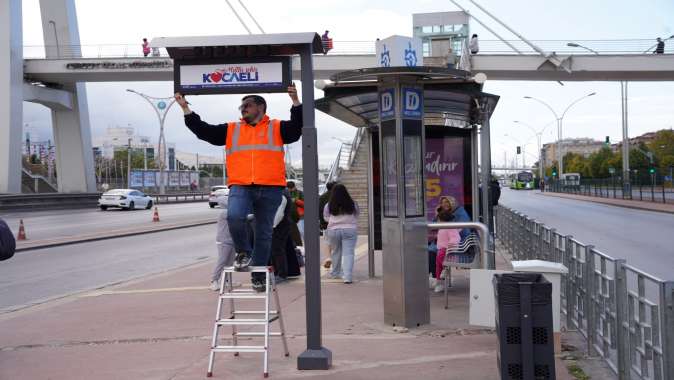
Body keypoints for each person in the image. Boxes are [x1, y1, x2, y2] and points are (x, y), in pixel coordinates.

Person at [175, 83, 302, 292]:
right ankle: (243, 252)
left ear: (261, 107)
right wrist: (186, 110)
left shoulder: (277, 127)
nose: (243, 109)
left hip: (271, 187)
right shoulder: (232, 129)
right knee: (234, 216)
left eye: (247, 105)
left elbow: (297, 129)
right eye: (241, 106)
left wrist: (295, 102)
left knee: (264, 233)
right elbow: (204, 131)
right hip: (241, 185)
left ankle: (258, 276)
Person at [323, 183, 359, 284]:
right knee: (348, 253)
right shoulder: (352, 203)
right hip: (349, 230)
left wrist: (335, 220)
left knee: (336, 251)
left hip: (334, 230)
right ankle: (347, 277)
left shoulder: (329, 205)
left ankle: (335, 273)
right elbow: (357, 215)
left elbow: (326, 218)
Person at [210, 196, 238, 291]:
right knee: (222, 261)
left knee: (229, 263)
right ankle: (214, 281)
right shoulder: (224, 213)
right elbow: (237, 217)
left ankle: (227, 281)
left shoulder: (230, 212)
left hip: (231, 241)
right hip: (223, 241)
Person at [433, 210, 461, 293]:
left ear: (442, 220)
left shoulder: (449, 227)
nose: (437, 221)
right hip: (442, 249)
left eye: (438, 219)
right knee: (438, 265)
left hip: (446, 250)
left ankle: (444, 271)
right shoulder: (444, 227)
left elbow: (456, 238)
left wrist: (449, 247)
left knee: (440, 262)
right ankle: (439, 281)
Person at [270, 189, 293, 283]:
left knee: (277, 249)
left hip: (279, 226)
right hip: (283, 225)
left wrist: (273, 225)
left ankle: (281, 274)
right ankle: (280, 273)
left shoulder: (281, 195)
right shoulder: (284, 193)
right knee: (279, 249)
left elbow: (279, 213)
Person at [319, 181, 336, 268]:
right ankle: (336, 259)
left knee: (327, 242)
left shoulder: (322, 197)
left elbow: (319, 211)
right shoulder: (338, 197)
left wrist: (322, 223)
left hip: (326, 224)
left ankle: (328, 257)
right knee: (338, 244)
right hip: (338, 224)